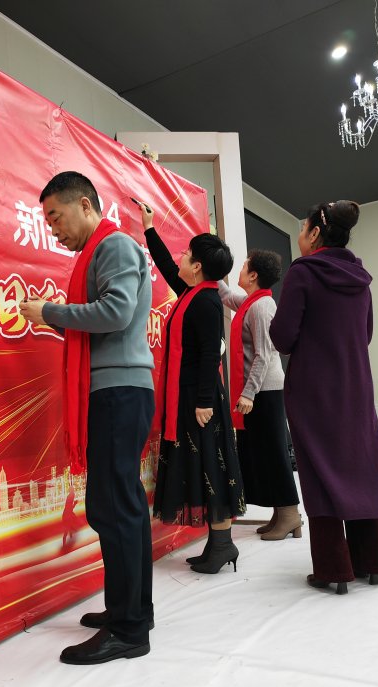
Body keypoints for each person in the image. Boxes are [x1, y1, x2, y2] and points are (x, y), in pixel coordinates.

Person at [19, 171, 155, 663]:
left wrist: (51, 313)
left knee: (113, 508)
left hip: (118, 392)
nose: (54, 229)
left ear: (84, 204)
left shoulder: (113, 246)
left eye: (56, 217)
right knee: (119, 506)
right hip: (119, 389)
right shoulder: (102, 250)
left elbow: (115, 313)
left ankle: (128, 629)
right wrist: (57, 316)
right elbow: (106, 319)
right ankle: (132, 610)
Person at [269, 200, 378, 594]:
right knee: (360, 464)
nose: (300, 235)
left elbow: (283, 336)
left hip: (313, 387)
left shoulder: (303, 272)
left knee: (319, 468)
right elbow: (365, 334)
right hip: (356, 384)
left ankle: (333, 568)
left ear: (316, 233)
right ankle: (371, 561)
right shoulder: (360, 279)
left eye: (303, 229)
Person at [139, 203, 245, 574]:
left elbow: (209, 354)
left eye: (186, 253)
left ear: (197, 266)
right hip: (189, 395)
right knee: (203, 464)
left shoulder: (206, 302)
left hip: (200, 399)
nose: (181, 257)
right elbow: (167, 267)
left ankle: (223, 543)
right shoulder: (192, 293)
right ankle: (219, 543)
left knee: (211, 465)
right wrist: (149, 228)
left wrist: (202, 402)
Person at [218, 250, 301, 540]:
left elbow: (264, 355)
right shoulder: (251, 302)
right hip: (259, 390)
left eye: (243, 267)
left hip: (265, 391)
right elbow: (226, 295)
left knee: (274, 452)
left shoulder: (262, 306)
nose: (239, 270)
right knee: (264, 453)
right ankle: (281, 513)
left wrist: (249, 394)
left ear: (253, 275)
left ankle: (290, 514)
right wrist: (212, 267)